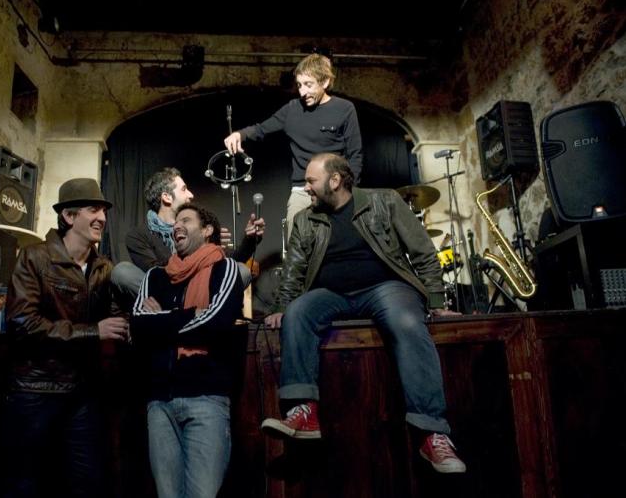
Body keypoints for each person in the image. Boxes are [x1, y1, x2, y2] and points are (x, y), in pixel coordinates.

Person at [261, 154, 466, 474]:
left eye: (311, 181)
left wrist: (436, 300)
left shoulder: (385, 201)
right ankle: (304, 412)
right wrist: (282, 307)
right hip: (330, 293)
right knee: (298, 312)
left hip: (384, 287)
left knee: (406, 321)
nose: (306, 187)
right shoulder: (305, 219)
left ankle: (432, 433)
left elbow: (423, 251)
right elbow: (293, 270)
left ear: (335, 180)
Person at [4, 178, 129, 497]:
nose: (102, 217)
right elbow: (22, 323)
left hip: (83, 392)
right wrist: (93, 331)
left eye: (103, 210)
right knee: (27, 483)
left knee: (88, 483)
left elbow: (117, 318)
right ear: (69, 216)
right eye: (93, 210)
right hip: (36, 389)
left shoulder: (104, 267)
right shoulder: (34, 257)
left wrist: (140, 309)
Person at [131, 203, 245, 498]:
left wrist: (161, 320)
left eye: (186, 220)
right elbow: (139, 326)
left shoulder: (225, 269)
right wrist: (192, 314)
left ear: (207, 230)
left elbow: (216, 323)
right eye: (176, 221)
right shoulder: (155, 277)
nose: (177, 225)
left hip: (206, 399)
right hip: (160, 402)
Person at [224, 53, 363, 236]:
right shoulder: (292, 109)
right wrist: (239, 134)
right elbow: (261, 129)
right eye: (299, 85)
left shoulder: (345, 109)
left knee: (340, 241)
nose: (302, 92)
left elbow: (355, 155)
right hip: (303, 190)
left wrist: (350, 192)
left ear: (325, 82)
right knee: (295, 239)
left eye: (308, 84)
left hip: (335, 190)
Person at [111, 167, 264, 305]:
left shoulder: (198, 227)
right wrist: (191, 248)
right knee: (122, 271)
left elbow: (232, 259)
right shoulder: (138, 235)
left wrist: (250, 238)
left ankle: (194, 307)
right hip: (164, 293)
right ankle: (177, 309)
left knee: (241, 270)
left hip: (200, 288)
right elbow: (155, 273)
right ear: (167, 197)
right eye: (184, 189)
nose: (191, 194)